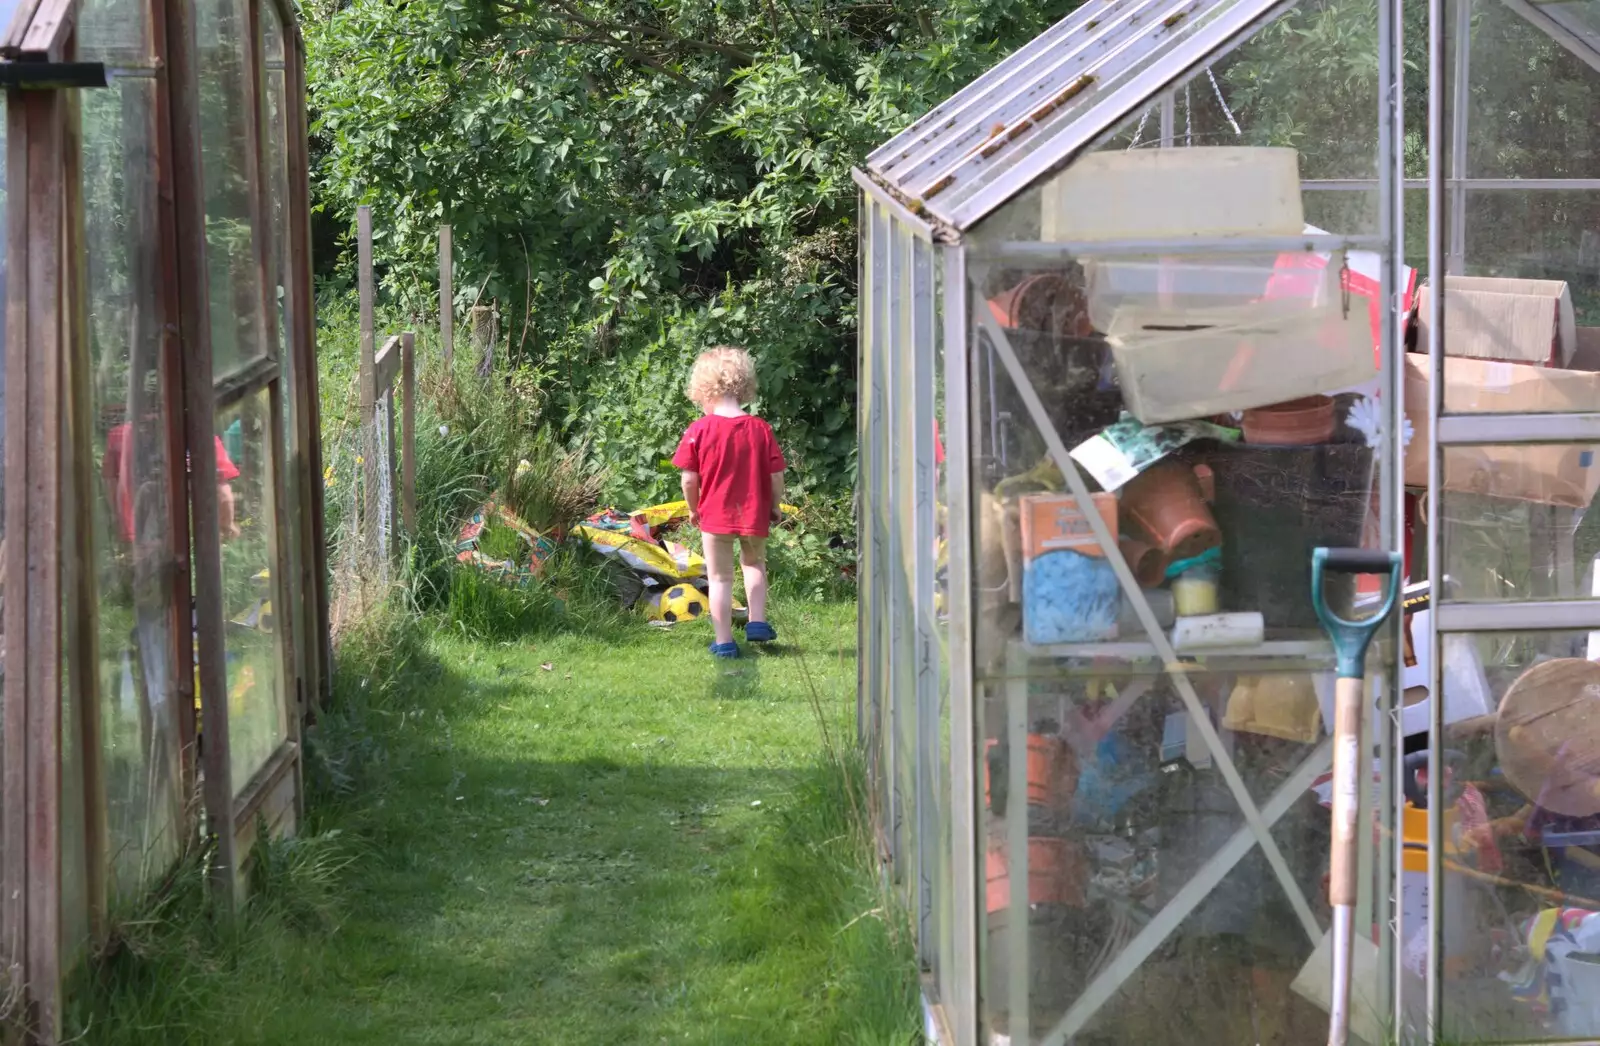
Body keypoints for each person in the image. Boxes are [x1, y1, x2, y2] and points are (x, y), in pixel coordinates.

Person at [672, 345, 785, 659]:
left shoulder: (700, 430)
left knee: (720, 577)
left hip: (714, 517)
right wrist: (774, 506)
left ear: (703, 390)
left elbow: (689, 479)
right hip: (754, 515)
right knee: (754, 564)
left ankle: (724, 642)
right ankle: (758, 622)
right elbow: (776, 477)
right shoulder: (761, 429)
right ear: (745, 386)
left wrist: (693, 508)